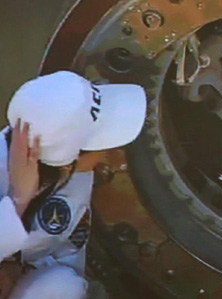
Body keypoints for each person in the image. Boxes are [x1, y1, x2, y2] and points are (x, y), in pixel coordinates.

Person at [0, 71, 146, 299]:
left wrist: (17, 269)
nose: (111, 151)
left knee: (65, 286)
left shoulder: (68, 167)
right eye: (105, 143)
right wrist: (18, 199)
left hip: (38, 273)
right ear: (70, 162)